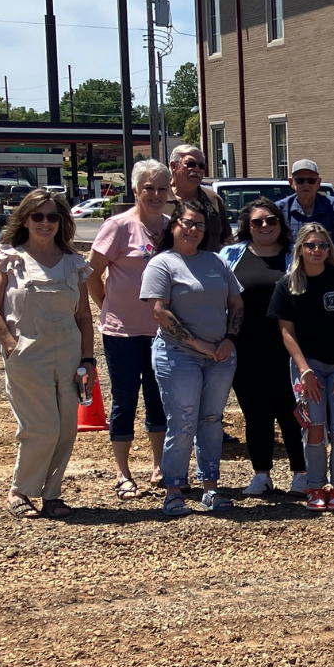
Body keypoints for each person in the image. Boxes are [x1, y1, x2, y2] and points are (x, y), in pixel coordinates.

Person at [0, 190, 93, 519]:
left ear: (62, 222)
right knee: (41, 427)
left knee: (66, 428)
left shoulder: (75, 264)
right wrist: (12, 346)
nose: (45, 223)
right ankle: (20, 490)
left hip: (70, 355)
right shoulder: (7, 261)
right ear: (26, 219)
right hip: (27, 355)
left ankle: (52, 494)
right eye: (38, 216)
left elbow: (84, 317)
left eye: (53, 217)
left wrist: (88, 359)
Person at [141, 202, 243, 518]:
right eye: (187, 222)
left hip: (220, 356)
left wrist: (229, 339)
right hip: (179, 356)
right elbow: (159, 311)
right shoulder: (162, 264)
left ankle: (210, 488)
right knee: (183, 422)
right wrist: (199, 345)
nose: (194, 229)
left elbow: (236, 303)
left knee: (212, 420)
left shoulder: (216, 262)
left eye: (200, 224)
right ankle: (173, 490)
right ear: (174, 225)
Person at [87, 158, 170, 500]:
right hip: (121, 332)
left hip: (162, 332)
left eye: (161, 188)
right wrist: (106, 304)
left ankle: (159, 466)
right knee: (124, 401)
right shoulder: (118, 226)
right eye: (148, 188)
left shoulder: (172, 226)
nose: (155, 194)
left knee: (159, 400)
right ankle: (123, 474)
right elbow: (91, 274)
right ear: (135, 191)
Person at [270, 222, 334, 512]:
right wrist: (304, 370)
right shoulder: (287, 285)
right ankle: (314, 486)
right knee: (314, 427)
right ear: (300, 248)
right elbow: (286, 333)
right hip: (307, 366)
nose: (317, 250)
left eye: (322, 245)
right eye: (310, 245)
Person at [219, 199, 307, 497]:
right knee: (255, 412)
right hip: (245, 347)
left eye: (271, 220)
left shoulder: (295, 256)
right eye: (257, 222)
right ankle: (261, 474)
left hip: (287, 346)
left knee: (292, 410)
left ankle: (301, 473)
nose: (265, 226)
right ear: (248, 226)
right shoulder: (231, 255)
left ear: (281, 224)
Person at [276, 159, 334, 259]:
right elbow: (274, 246)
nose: (306, 184)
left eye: (311, 180)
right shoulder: (280, 209)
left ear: (318, 182)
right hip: (292, 271)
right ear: (291, 182)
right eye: (300, 180)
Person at [167, 145, 232, 247]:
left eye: (202, 166)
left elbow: (227, 240)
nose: (197, 169)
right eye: (191, 164)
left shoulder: (213, 200)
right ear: (173, 166)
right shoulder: (158, 199)